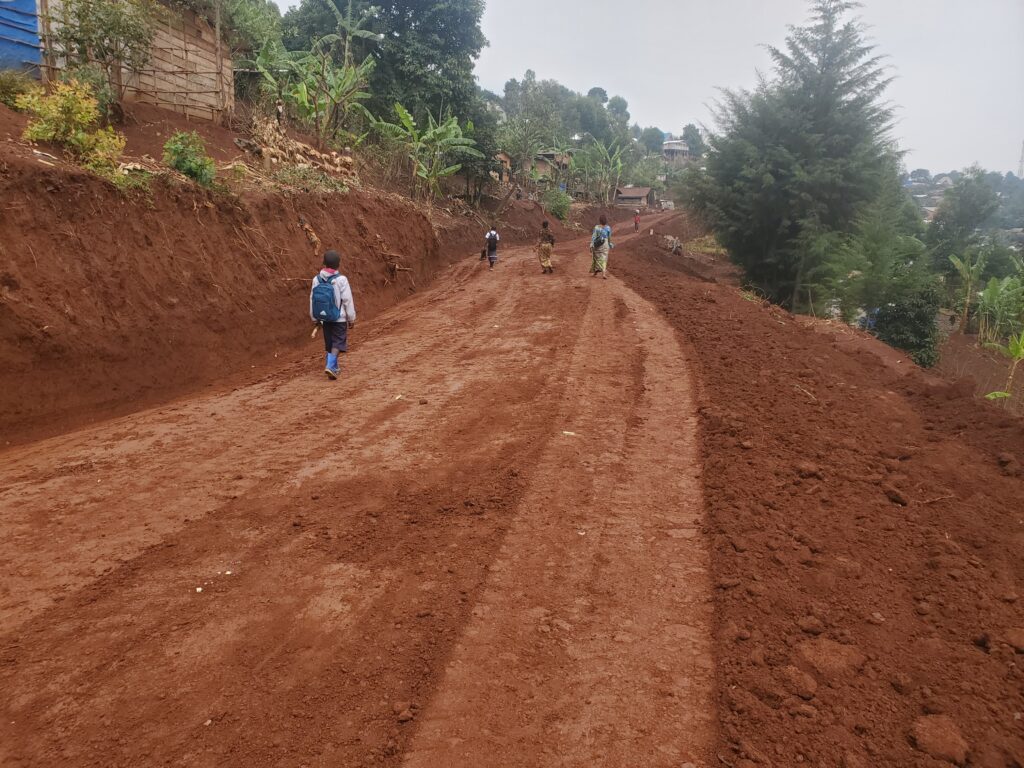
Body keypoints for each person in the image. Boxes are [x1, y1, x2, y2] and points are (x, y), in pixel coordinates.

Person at [309, 249, 356, 380]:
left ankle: (333, 369)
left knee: (330, 344)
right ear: (338, 264)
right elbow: (347, 300)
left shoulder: (316, 279)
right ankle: (330, 365)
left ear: (324, 263)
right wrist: (351, 318)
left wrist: (314, 318)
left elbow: (312, 299)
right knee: (338, 343)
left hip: (325, 318)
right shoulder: (341, 280)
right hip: (338, 318)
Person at [590, 214, 613, 279]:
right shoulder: (608, 228)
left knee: (596, 258)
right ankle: (604, 274)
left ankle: (595, 273)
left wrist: (591, 244)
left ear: (599, 220)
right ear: (606, 221)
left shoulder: (596, 227)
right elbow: (609, 237)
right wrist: (609, 244)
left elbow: (593, 237)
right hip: (605, 244)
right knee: (604, 259)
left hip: (597, 244)